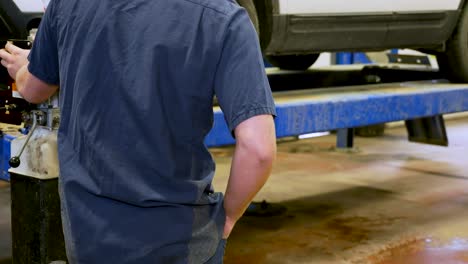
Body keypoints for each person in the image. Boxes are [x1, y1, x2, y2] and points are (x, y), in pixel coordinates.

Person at [0, 0, 276, 263]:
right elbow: (258, 149)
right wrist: (227, 218)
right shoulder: (223, 17)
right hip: (184, 241)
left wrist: (26, 67)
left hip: (90, 236)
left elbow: (34, 89)